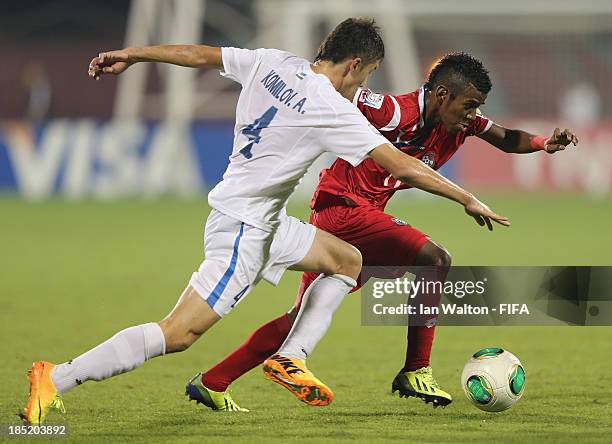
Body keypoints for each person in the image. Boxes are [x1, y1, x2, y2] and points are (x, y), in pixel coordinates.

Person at [21, 21, 509, 424]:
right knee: (179, 334)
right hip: (243, 229)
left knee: (346, 260)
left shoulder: (272, 62)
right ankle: (57, 377)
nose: (361, 89)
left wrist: (133, 53)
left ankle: (290, 357)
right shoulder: (330, 107)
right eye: (365, 77)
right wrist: (466, 198)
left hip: (263, 219)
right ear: (355, 64)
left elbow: (199, 54)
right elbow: (403, 166)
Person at [193, 53, 578, 411]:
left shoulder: (463, 123)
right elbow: (335, 92)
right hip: (342, 207)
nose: (473, 115)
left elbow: (509, 138)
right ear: (442, 95)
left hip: (362, 217)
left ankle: (213, 381)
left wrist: (545, 143)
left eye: (477, 107)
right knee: (434, 259)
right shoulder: (394, 111)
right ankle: (416, 370)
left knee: (303, 314)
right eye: (468, 106)